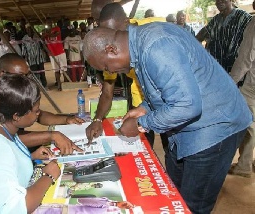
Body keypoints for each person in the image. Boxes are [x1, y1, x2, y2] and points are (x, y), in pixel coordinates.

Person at [82, 24, 252, 213]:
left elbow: (186, 105)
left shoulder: (157, 47)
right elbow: (167, 90)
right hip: (189, 128)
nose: (111, 72)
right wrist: (144, 108)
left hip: (216, 128)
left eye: (107, 66)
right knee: (171, 194)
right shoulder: (141, 45)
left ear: (111, 49)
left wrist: (141, 123)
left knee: (191, 205)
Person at [0, 74, 61, 213]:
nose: (38, 114)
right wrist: (48, 176)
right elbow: (14, 209)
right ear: (16, 116)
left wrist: (30, 156)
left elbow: (3, 164)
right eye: (36, 110)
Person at [0, 53, 84, 153]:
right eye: (21, 75)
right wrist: (52, 136)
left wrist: (66, 119)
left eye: (28, 75)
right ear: (2, 73)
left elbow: (37, 114)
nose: (26, 80)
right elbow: (5, 137)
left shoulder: (16, 92)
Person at [85, 2, 155, 146]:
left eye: (114, 33)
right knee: (146, 145)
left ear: (125, 23)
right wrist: (97, 119)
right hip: (142, 103)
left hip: (172, 102)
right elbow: (107, 92)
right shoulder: (111, 54)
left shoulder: (152, 31)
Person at [228, 0, 255, 178]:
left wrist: (230, 82)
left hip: (252, 86)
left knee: (246, 123)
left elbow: (246, 58)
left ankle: (244, 165)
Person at [196, 0, 251, 74]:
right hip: (217, 72)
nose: (219, 1)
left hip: (236, 73)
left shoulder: (244, 18)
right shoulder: (215, 21)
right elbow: (198, 37)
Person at [42, 18, 67, 91]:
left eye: (50, 22)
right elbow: (42, 38)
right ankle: (59, 84)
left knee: (64, 68)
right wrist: (45, 34)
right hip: (52, 53)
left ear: (52, 22)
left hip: (60, 51)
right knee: (56, 70)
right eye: (47, 22)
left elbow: (56, 34)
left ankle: (65, 83)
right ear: (45, 23)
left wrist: (47, 34)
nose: (49, 23)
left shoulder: (57, 28)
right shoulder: (44, 31)